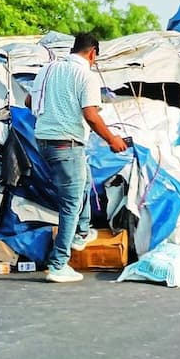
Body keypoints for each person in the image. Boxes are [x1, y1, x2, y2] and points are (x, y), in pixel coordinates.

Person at [27, 33, 128, 283]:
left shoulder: (47, 70)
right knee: (70, 206)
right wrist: (112, 140)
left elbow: (30, 100)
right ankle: (59, 264)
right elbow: (91, 115)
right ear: (93, 52)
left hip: (45, 143)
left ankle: (81, 233)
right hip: (66, 145)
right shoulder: (86, 76)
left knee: (85, 182)